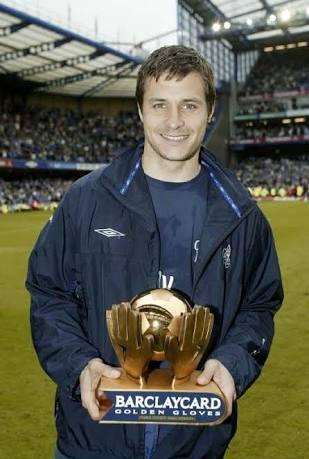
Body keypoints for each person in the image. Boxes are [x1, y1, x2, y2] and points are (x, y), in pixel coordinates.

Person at [26, 45, 283, 459]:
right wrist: (80, 367)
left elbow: (259, 305)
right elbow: (49, 295)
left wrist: (233, 363)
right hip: (93, 440)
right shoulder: (86, 201)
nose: (175, 122)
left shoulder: (243, 216)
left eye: (190, 105)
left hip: (195, 443)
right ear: (141, 111)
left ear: (210, 110)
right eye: (160, 104)